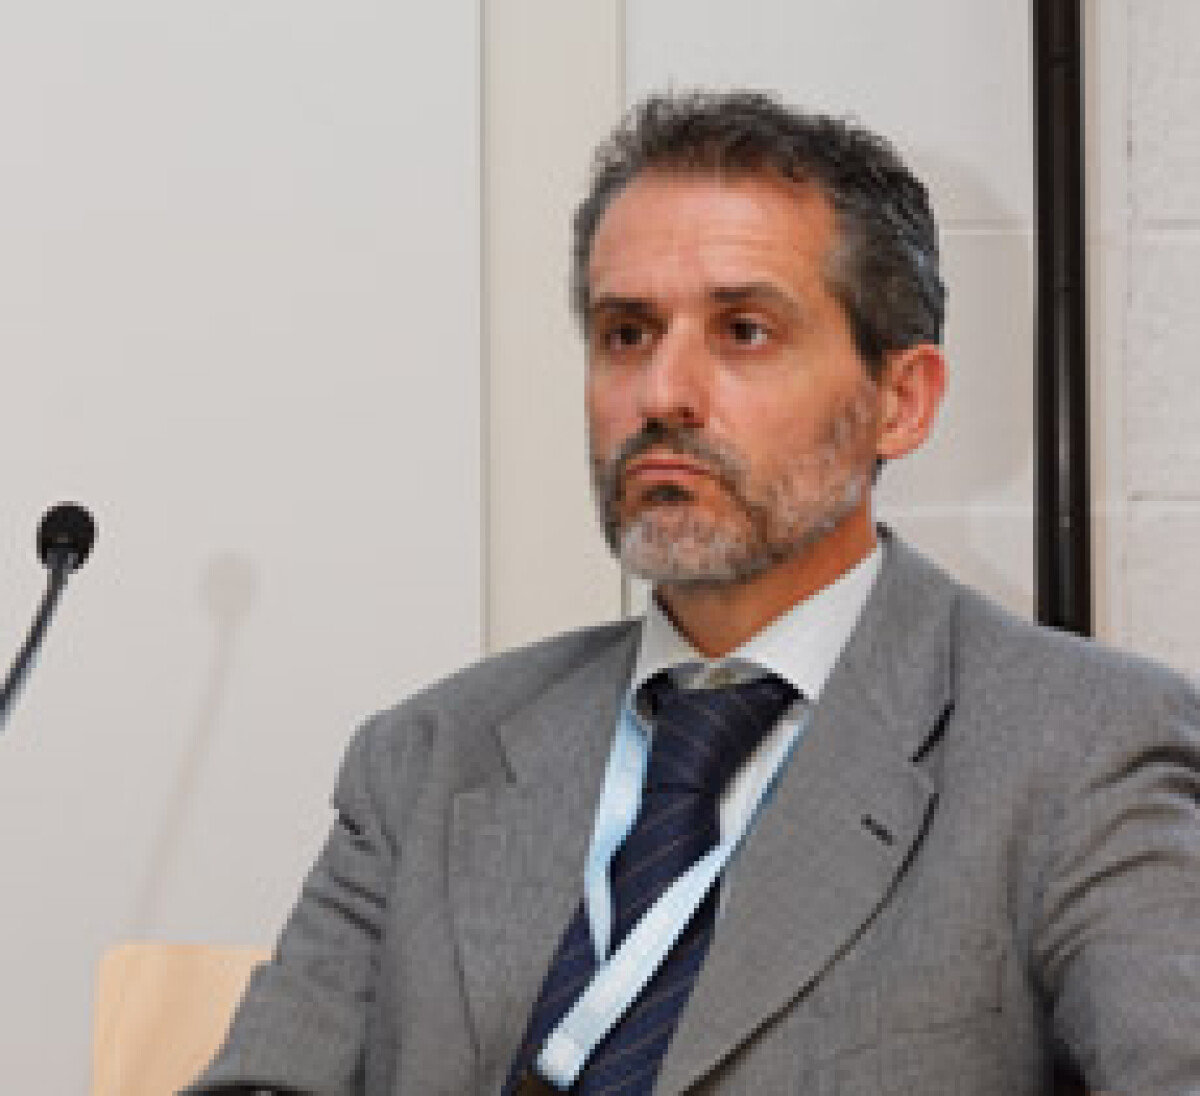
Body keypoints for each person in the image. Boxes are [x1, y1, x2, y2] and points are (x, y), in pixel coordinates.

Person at [187, 90, 1200, 1095]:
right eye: (627, 333)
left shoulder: (1080, 748)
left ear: (901, 401)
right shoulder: (426, 757)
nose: (663, 394)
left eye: (744, 331)